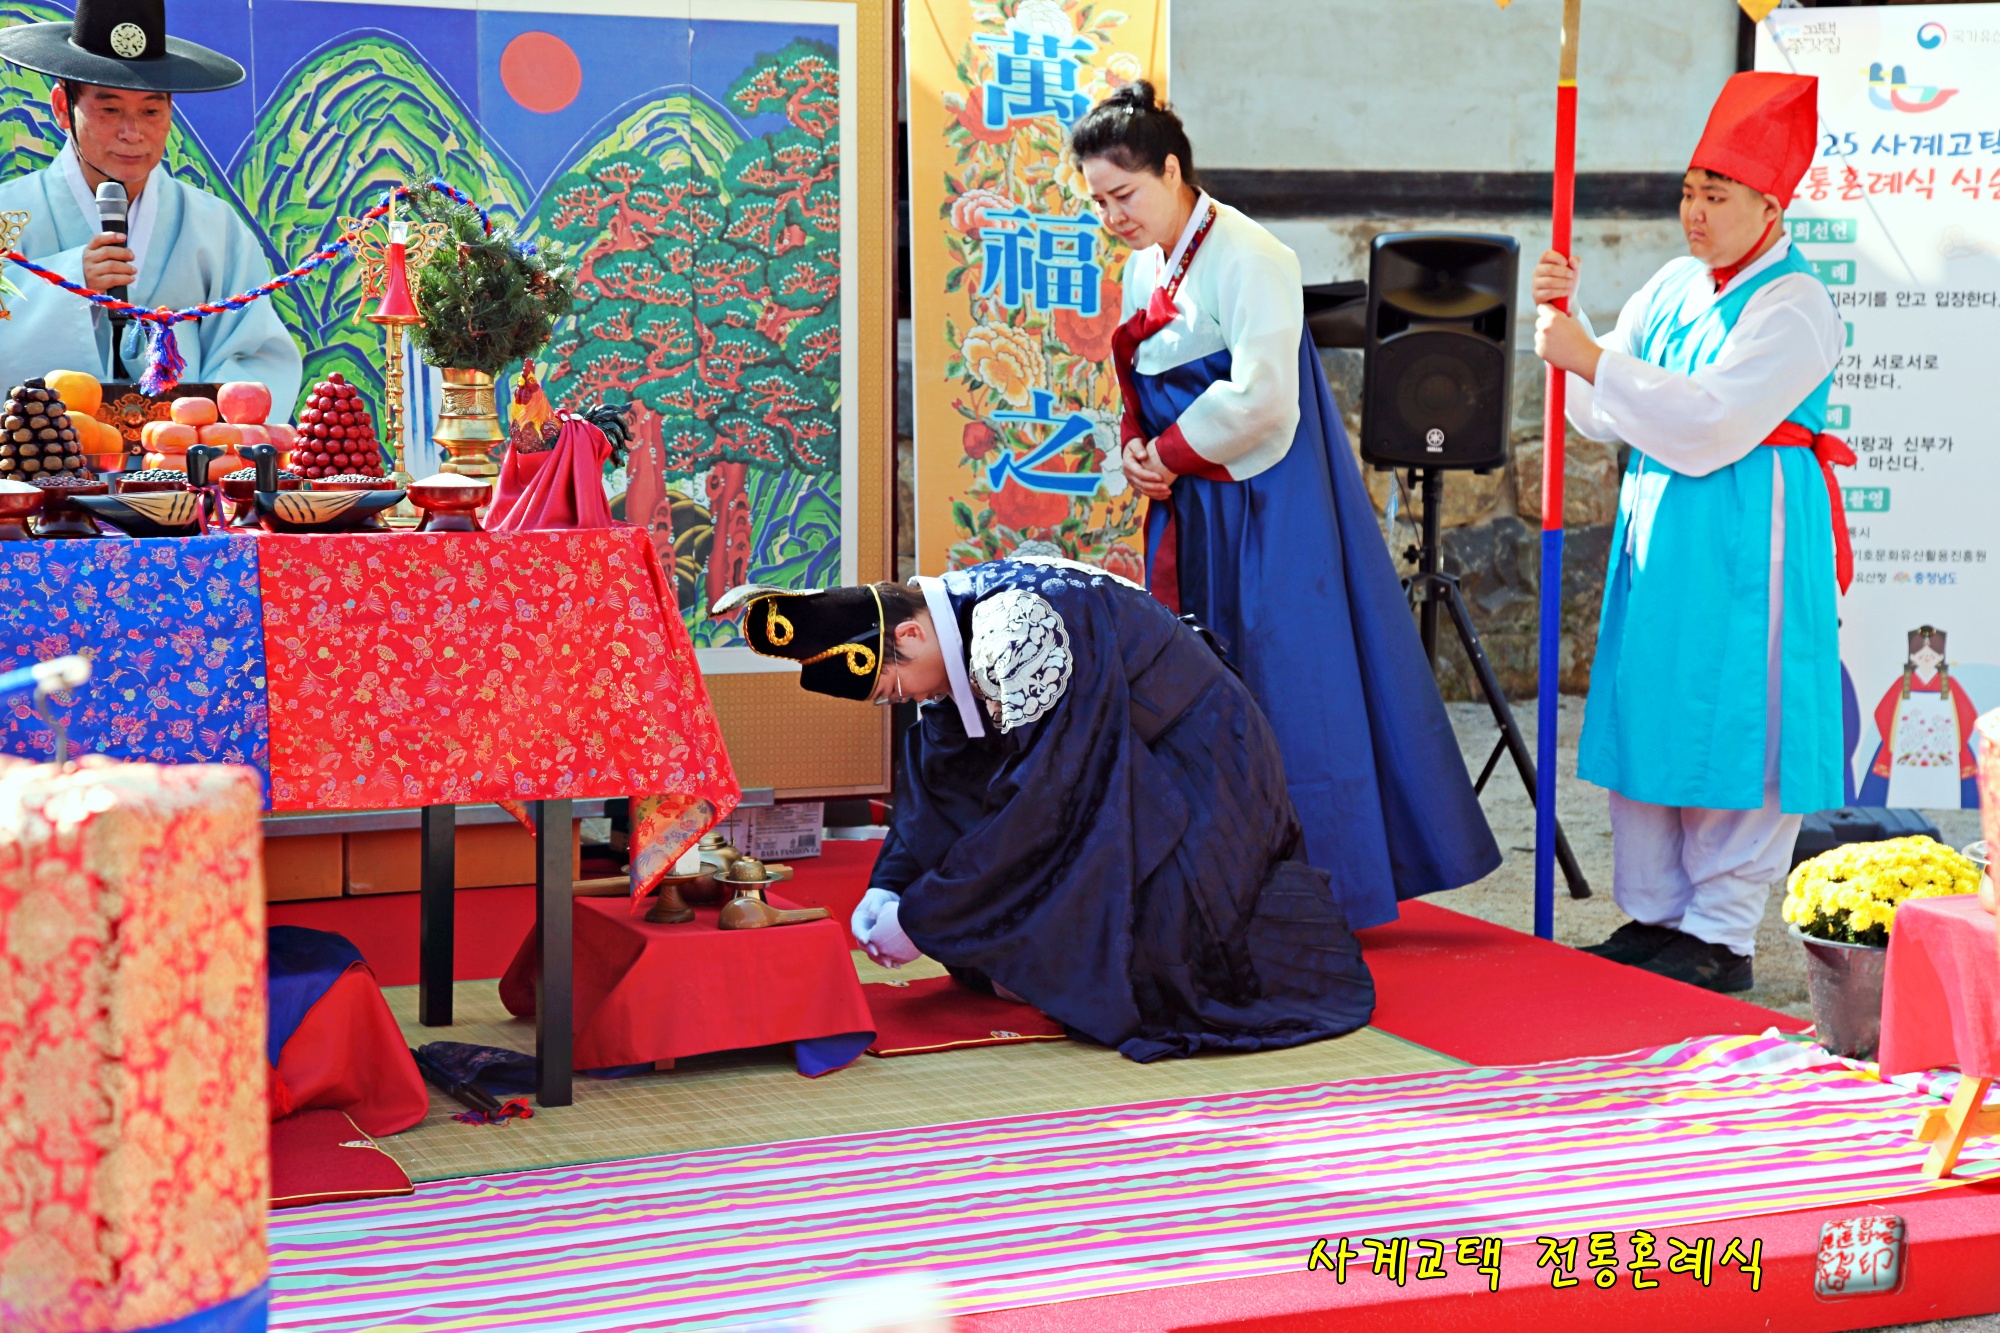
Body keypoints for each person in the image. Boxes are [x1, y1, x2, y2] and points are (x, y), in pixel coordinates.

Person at [1071, 82, 1498, 932]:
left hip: (1267, 500)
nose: (1113, 217)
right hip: (1192, 499)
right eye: (1099, 203)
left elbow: (1264, 398)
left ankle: (1314, 889)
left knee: (1290, 679)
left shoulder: (1252, 254)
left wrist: (1168, 452)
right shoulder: (1142, 264)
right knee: (1193, 681)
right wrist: (1137, 449)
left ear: (1172, 170)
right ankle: (1209, 879)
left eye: (1125, 195)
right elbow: (1138, 379)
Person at [715, 555, 1377, 1063]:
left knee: (1163, 969)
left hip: (1196, 768)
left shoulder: (1014, 627)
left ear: (910, 633)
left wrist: (923, 917)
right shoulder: (955, 628)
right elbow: (944, 785)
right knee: (988, 855)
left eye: (892, 686)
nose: (901, 699)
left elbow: (1048, 798)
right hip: (1117, 761)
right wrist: (891, 885)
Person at [1532, 72, 1849, 993]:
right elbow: (1603, 409)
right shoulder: (1673, 284)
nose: (1695, 212)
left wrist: (1589, 358)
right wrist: (1571, 330)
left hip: (1754, 532)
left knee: (1738, 715)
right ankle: (1657, 912)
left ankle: (1720, 930)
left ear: (1770, 205)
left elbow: (1713, 421)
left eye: (1717, 195)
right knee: (1654, 703)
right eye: (1688, 192)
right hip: (1662, 529)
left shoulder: (1797, 302)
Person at [0, 0, 302, 406]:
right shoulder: (8, 215)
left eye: (151, 110)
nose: (132, 132)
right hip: (44, 442)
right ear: (62, 108)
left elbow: (256, 355)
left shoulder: (214, 225)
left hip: (183, 442)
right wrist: (69, 282)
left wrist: (203, 429)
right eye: (110, 109)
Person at [1857, 627, 1980, 810]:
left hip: (1945, 748)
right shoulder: (1903, 683)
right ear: (1912, 657)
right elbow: (1882, 713)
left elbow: (1968, 715)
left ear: (1940, 657)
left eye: (1932, 655)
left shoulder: (1950, 685)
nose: (1926, 658)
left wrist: (1956, 744)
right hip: (1905, 746)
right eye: (1921, 655)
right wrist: (1893, 742)